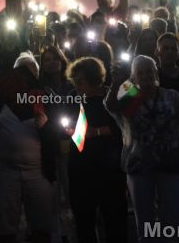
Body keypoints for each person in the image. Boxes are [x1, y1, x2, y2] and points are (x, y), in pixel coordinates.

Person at [105, 55, 179, 242]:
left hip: (171, 164)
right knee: (145, 220)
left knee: (178, 216)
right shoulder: (130, 93)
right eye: (140, 72)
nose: (146, 75)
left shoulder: (171, 95)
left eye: (149, 71)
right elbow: (110, 106)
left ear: (156, 73)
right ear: (133, 76)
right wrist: (117, 82)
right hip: (139, 166)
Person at [0, 52, 62, 243]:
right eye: (22, 71)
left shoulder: (47, 97)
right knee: (5, 224)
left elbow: (61, 131)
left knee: (41, 224)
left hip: (39, 171)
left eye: (32, 71)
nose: (27, 76)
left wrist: (46, 125)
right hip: (6, 171)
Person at [65, 58, 127, 243]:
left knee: (115, 220)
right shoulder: (73, 97)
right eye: (74, 81)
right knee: (84, 222)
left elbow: (127, 125)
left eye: (80, 81)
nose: (76, 86)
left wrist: (98, 132)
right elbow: (66, 122)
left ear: (93, 79)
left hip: (110, 169)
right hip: (81, 169)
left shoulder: (115, 94)